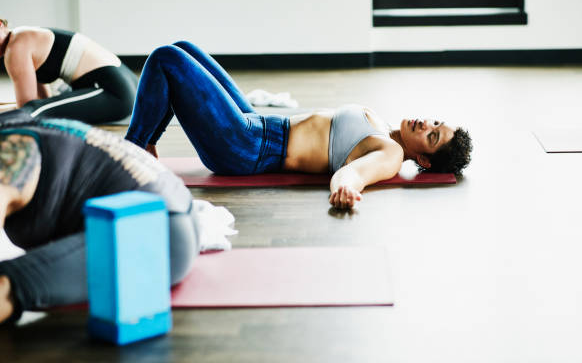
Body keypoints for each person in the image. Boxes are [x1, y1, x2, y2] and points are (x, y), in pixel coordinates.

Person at [126, 41, 473, 210]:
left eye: (432, 135)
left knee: (166, 59)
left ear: (424, 161)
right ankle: (146, 144)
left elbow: (355, 174)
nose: (426, 123)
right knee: (183, 49)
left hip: (249, 148)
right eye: (435, 122)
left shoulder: (391, 153)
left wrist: (345, 190)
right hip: (258, 126)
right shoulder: (385, 128)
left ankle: (129, 152)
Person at [0, 109, 200, 325]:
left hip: (151, 233)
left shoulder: (10, 153)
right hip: (174, 207)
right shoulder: (25, 130)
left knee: (5, 287)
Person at [0, 19, 137, 124]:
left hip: (112, 91)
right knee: (43, 106)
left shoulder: (16, 46)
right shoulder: (26, 35)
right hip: (126, 86)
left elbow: (28, 109)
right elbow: (44, 101)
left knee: (29, 113)